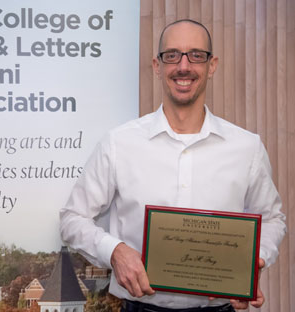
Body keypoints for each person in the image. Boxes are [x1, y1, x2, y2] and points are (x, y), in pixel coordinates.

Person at [60, 19, 286, 312]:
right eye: (172, 55)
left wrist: (254, 262)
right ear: (157, 66)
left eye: (196, 55)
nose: (183, 66)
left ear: (211, 65)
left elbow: (272, 220)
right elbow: (72, 218)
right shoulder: (119, 143)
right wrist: (115, 251)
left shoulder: (247, 147)